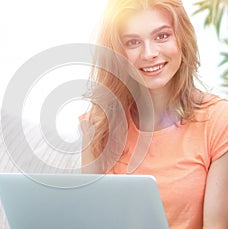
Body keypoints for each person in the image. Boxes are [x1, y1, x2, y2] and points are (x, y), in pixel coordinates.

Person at [80, 0, 228, 228]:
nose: (149, 54)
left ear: (182, 39)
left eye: (162, 36)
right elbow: (86, 219)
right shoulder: (98, 123)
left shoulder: (218, 120)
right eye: (133, 42)